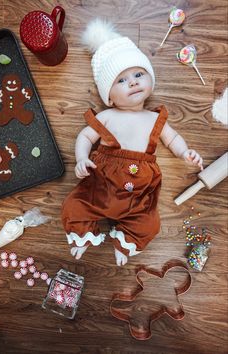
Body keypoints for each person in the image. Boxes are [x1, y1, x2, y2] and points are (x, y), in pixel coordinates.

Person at [62, 19, 203, 266]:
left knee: (150, 222)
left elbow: (172, 139)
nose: (134, 82)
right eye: (122, 80)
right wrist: (82, 158)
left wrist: (185, 151)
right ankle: (83, 236)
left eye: (138, 74)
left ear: (150, 80)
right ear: (109, 96)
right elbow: (85, 136)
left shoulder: (154, 118)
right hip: (101, 185)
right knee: (74, 206)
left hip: (138, 194)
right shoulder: (107, 116)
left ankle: (124, 241)